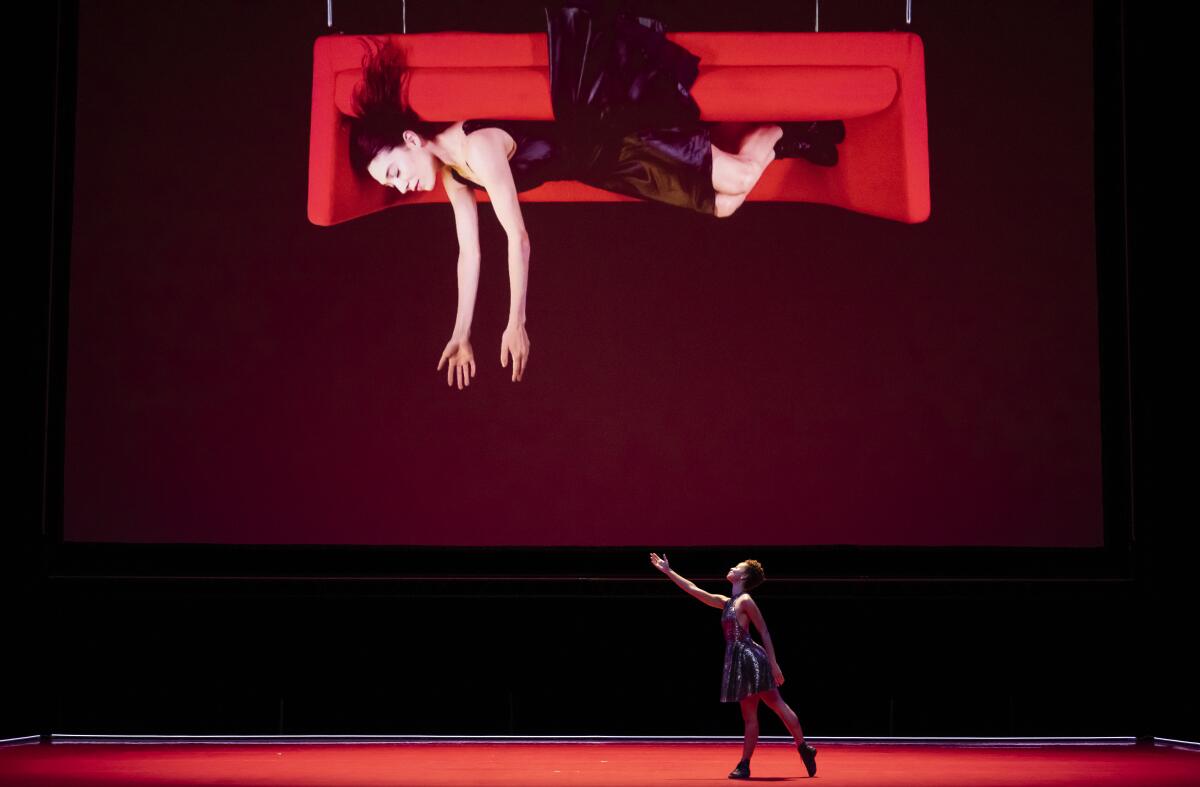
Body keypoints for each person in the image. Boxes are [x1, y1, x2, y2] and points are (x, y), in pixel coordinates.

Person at [349, 4, 844, 389]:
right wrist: (460, 334)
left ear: (411, 140)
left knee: (735, 182)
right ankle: (787, 137)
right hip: (606, 169)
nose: (401, 185)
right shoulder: (455, 176)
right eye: (391, 184)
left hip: (618, 134)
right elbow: (468, 255)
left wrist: (514, 322)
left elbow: (516, 238)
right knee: (724, 205)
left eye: (394, 170)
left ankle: (797, 131)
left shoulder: (477, 145)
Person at [650, 552, 818, 779]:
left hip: (751, 658)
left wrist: (774, 664)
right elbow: (694, 590)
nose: (732, 568)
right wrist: (668, 571)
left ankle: (801, 747)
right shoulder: (726, 602)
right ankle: (748, 763)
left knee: (776, 704)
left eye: (737, 567)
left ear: (744, 576)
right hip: (738, 661)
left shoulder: (746, 600)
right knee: (751, 716)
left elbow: (764, 631)